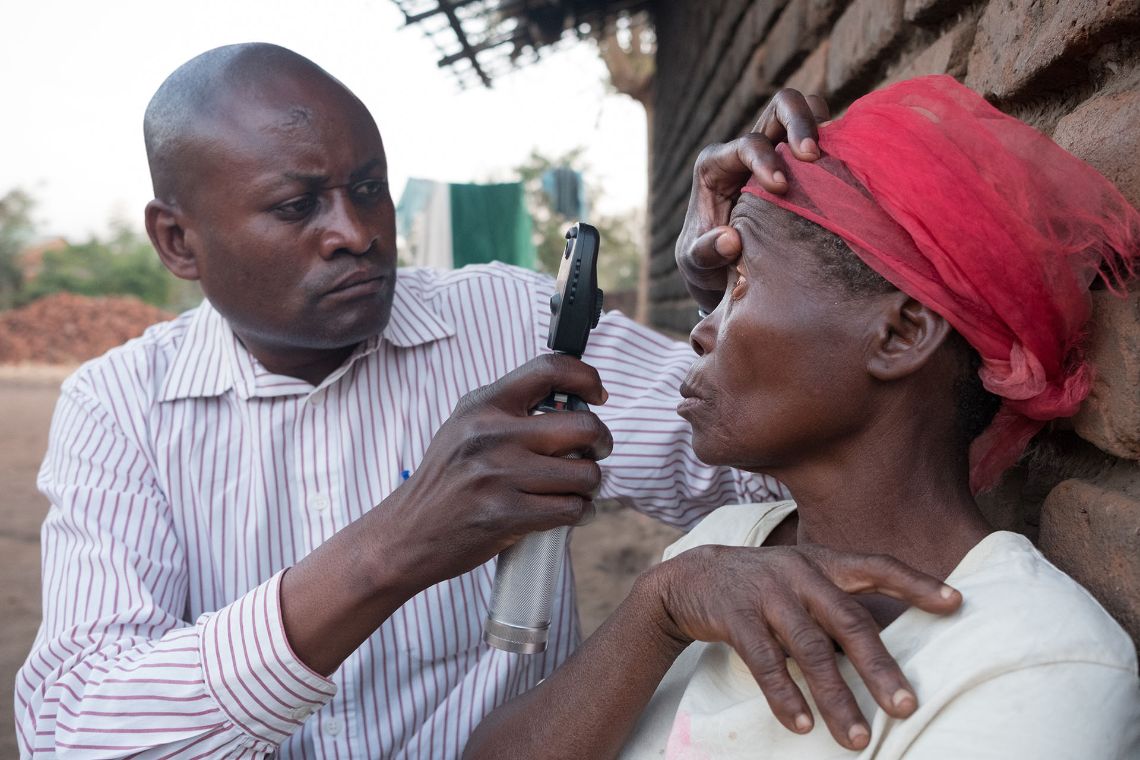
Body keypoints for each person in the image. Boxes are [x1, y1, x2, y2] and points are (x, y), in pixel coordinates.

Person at [13, 44, 947, 759]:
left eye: (369, 190)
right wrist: (397, 546)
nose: (356, 234)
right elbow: (74, 730)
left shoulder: (508, 322)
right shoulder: (121, 407)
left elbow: (763, 490)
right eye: (297, 207)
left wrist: (747, 312)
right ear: (178, 241)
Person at [463, 75, 1140, 759]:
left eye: (742, 282)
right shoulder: (724, 549)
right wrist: (657, 609)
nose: (702, 329)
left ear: (902, 334)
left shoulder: (1032, 667)